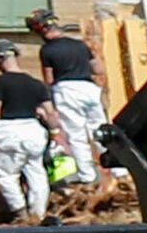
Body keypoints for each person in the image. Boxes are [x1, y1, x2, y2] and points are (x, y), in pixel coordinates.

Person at [0, 42, 52, 224]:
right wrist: (56, 131)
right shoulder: (36, 83)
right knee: (37, 172)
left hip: (9, 131)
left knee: (6, 175)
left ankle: (20, 212)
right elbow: (50, 112)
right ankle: (39, 213)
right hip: (33, 131)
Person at [30, 15, 105, 186]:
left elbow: (48, 78)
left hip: (66, 90)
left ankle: (87, 176)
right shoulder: (81, 45)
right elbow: (98, 68)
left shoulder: (47, 50)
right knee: (100, 130)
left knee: (76, 134)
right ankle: (119, 170)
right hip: (90, 88)